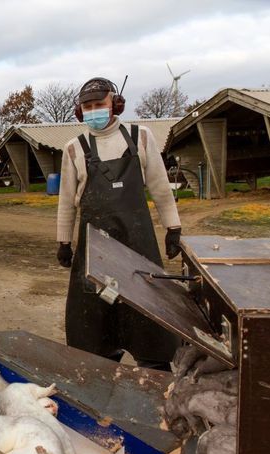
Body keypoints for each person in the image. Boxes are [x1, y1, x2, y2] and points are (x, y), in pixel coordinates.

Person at [56, 77, 182, 371]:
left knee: (148, 311)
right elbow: (66, 200)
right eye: (87, 106)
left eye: (99, 104)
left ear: (115, 104)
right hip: (95, 250)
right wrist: (63, 241)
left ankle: (155, 368)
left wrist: (173, 227)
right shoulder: (74, 148)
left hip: (138, 245)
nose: (94, 110)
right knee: (96, 316)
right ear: (79, 111)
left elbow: (161, 188)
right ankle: (101, 367)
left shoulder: (142, 137)